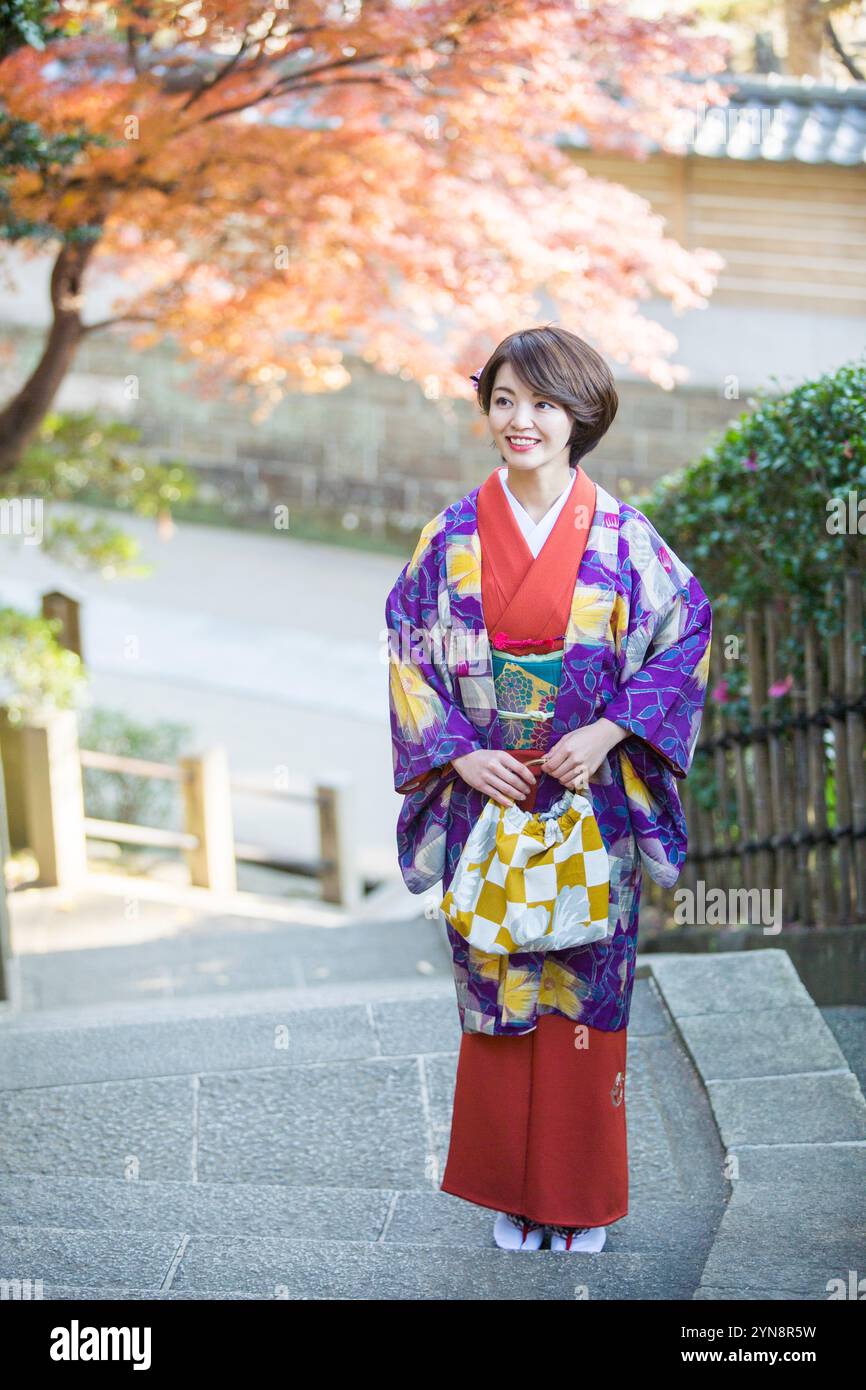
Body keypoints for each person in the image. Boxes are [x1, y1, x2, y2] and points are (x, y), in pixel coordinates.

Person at [385, 325, 712, 1253]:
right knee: (497, 977)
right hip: (488, 796)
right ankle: (508, 1193)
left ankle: (576, 1198)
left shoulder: (621, 534)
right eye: (503, 400)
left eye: (542, 403)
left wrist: (611, 730)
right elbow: (408, 650)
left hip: (590, 797)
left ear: (580, 416)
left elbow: (687, 633)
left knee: (585, 989)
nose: (519, 420)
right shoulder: (447, 536)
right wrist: (454, 753)